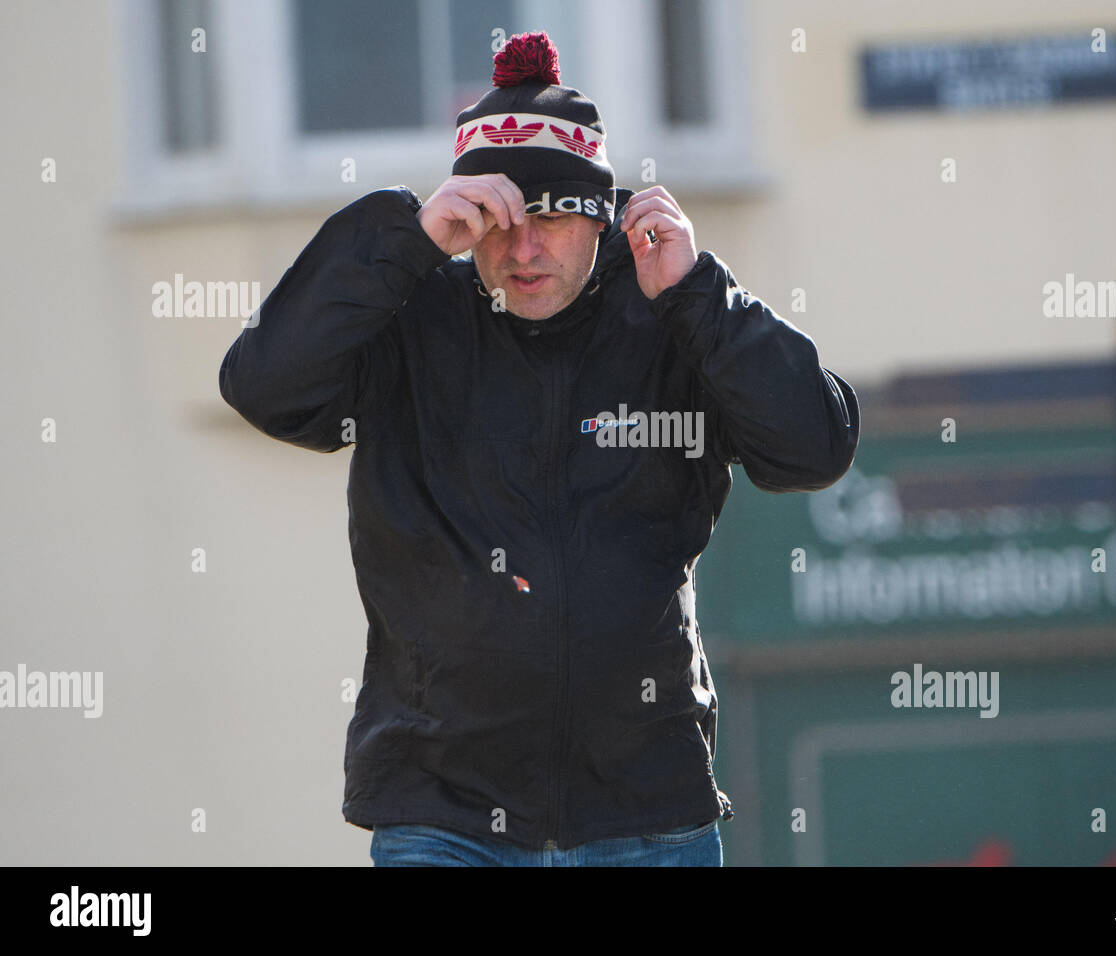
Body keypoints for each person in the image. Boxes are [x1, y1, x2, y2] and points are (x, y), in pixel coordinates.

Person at [218, 31, 860, 866]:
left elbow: (814, 450)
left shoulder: (671, 320)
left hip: (648, 816)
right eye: (497, 221)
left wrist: (703, 296)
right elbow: (263, 386)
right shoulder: (410, 321)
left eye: (552, 217)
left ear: (601, 216)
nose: (523, 250)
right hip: (442, 815)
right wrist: (403, 242)